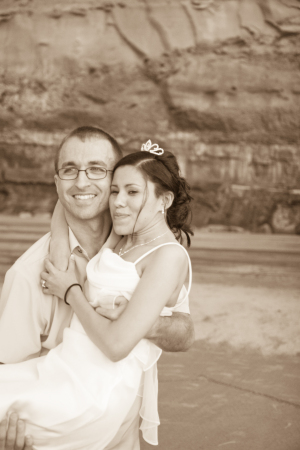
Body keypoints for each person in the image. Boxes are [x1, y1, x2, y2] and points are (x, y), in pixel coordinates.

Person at [0, 127, 194, 449]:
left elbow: (185, 332)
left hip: (116, 421)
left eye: (96, 170)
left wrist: (139, 321)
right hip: (64, 413)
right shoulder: (31, 274)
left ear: (111, 178)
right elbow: (7, 365)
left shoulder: (131, 237)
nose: (81, 182)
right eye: (69, 170)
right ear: (57, 182)